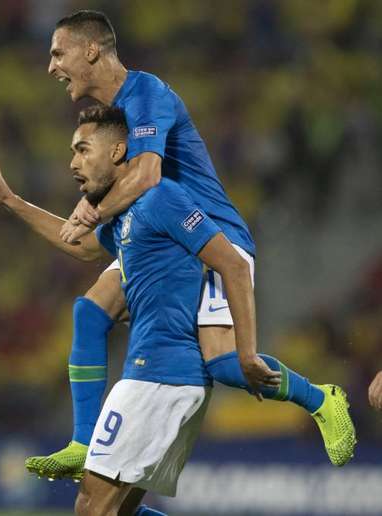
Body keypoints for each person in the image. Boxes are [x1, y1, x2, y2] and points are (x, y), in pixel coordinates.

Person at [24, 9, 355, 478]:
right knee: (89, 312)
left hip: (209, 234)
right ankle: (82, 441)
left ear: (91, 49)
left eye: (58, 53)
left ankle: (322, 399)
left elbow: (147, 174)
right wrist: (12, 201)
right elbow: (90, 238)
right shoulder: (114, 118)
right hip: (161, 238)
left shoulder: (147, 93)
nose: (52, 66)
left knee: (222, 363)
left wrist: (94, 209)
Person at [0, 103, 272, 515]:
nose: (73, 163)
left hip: (158, 377)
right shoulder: (128, 215)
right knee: (116, 512)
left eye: (83, 150)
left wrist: (245, 352)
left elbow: (235, 265)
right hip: (163, 378)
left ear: (117, 152)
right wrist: (10, 200)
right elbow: (79, 245)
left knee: (91, 509)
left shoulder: (162, 197)